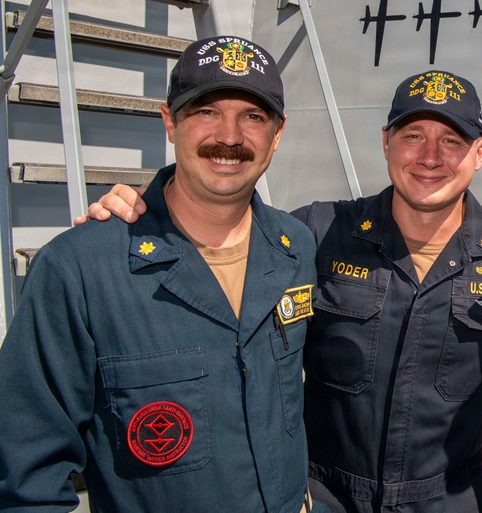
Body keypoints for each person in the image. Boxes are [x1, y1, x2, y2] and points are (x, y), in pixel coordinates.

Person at [79, 70, 482, 512]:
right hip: (324, 498)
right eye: (412, 136)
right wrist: (145, 208)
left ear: (478, 153)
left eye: (452, 140)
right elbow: (219, 242)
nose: (430, 157)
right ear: (385, 143)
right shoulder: (314, 233)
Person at [0, 36, 323, 511]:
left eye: (253, 116)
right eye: (205, 111)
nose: (229, 137)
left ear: (277, 133)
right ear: (169, 122)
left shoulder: (296, 246)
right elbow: (26, 475)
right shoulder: (81, 269)